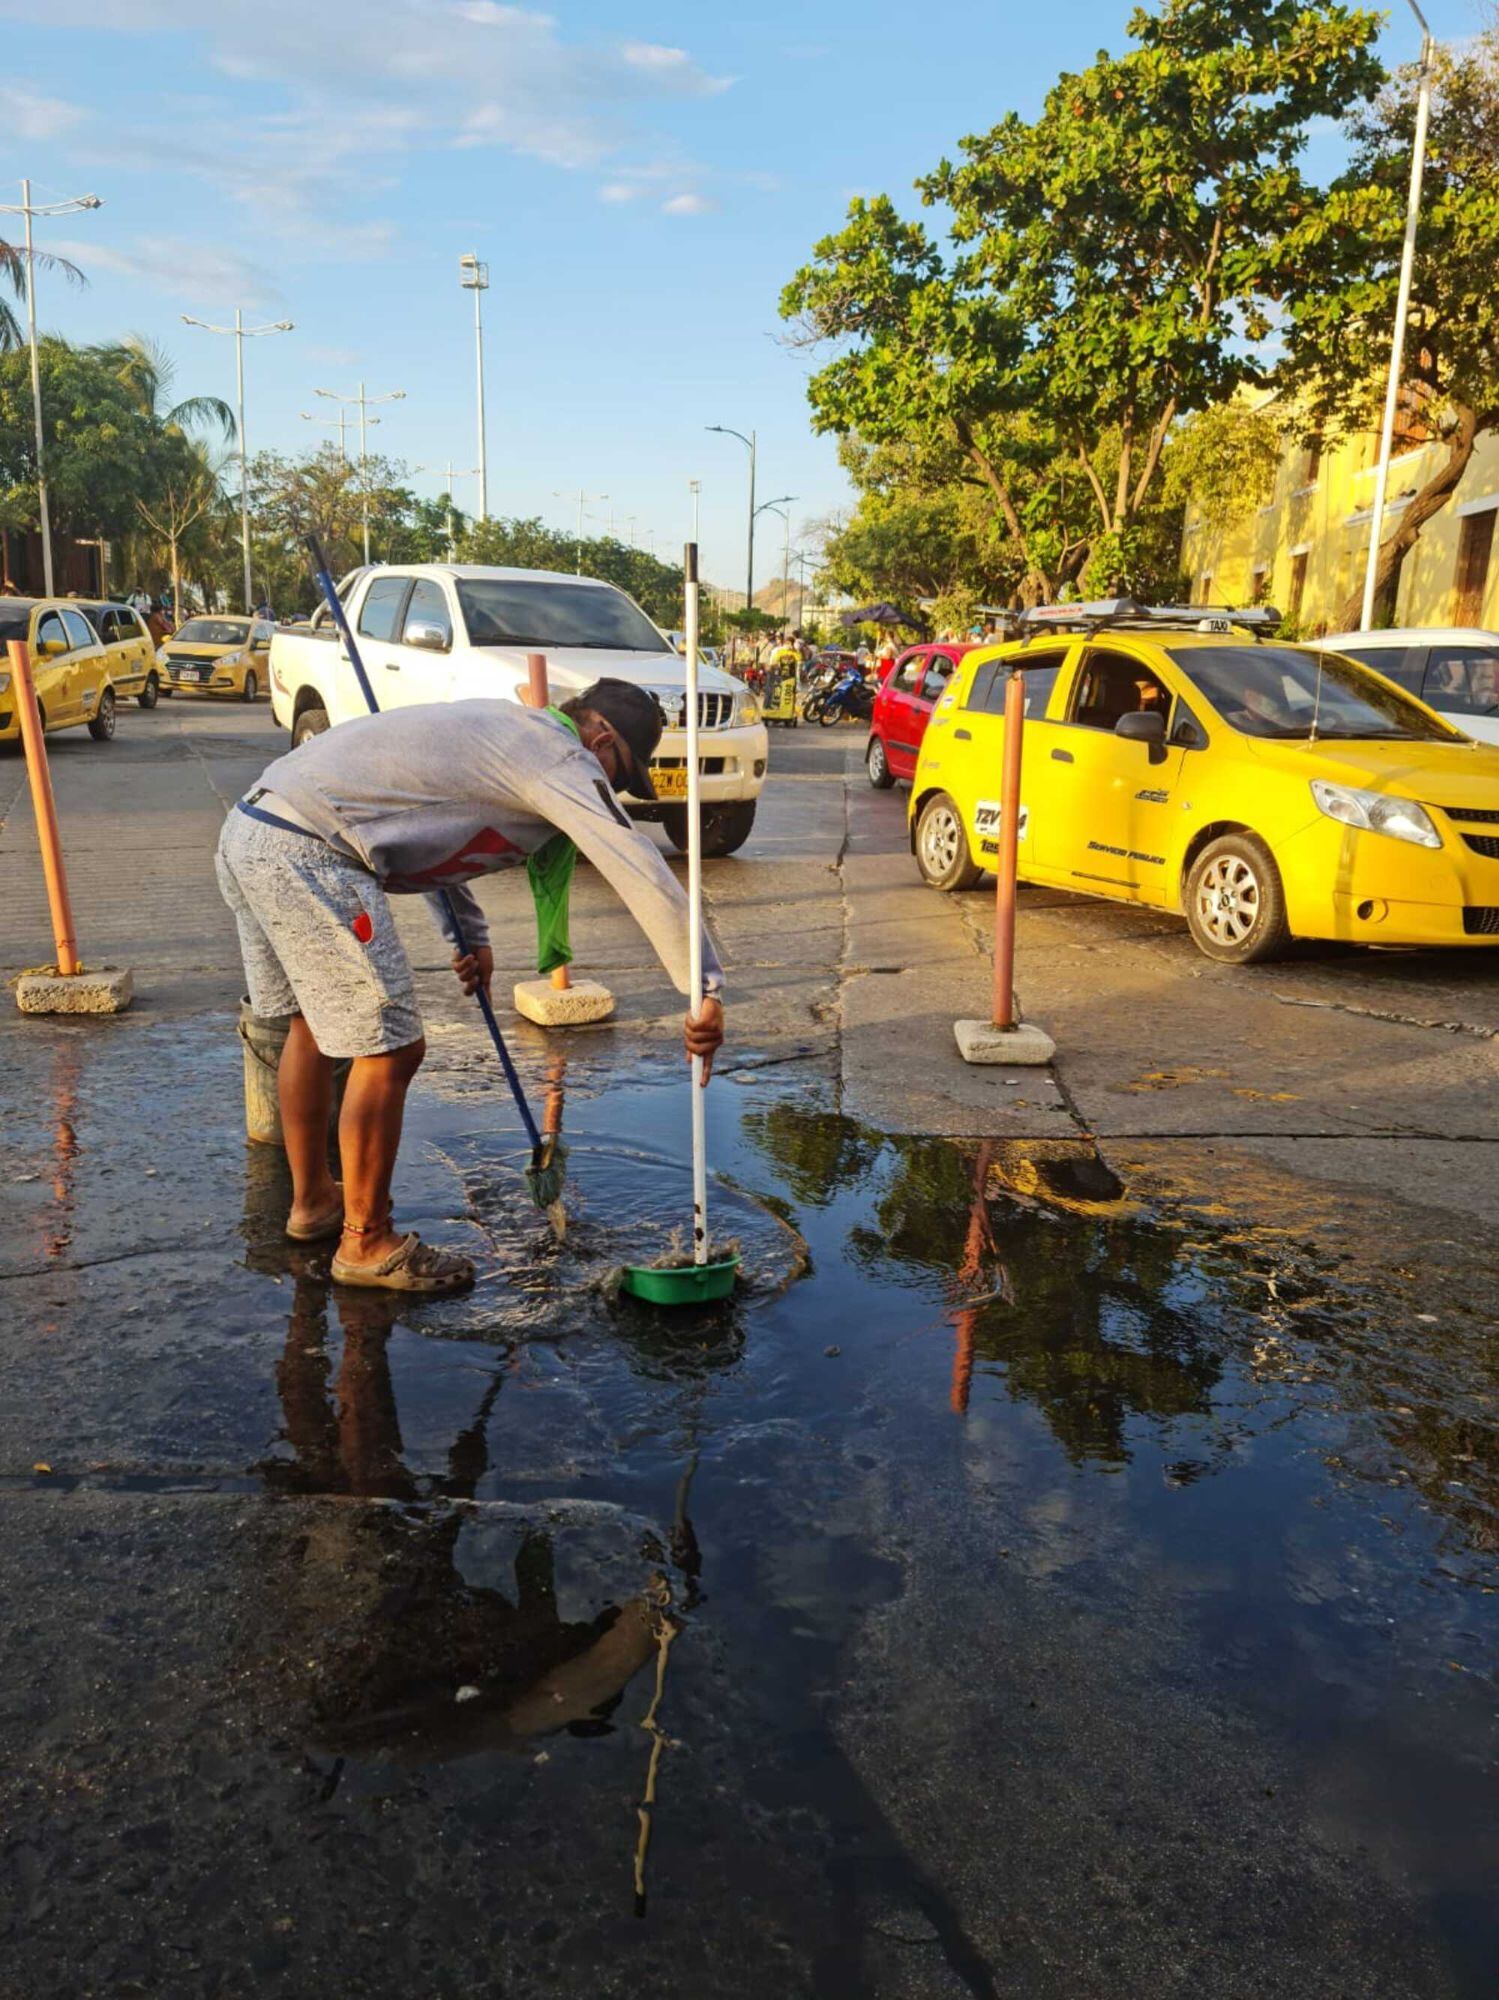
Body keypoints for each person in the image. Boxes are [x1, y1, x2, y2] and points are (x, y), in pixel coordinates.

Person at [216, 680, 727, 1297]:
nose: (615, 790)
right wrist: (703, 988)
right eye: (621, 774)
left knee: (311, 1026)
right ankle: (366, 1240)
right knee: (389, 1048)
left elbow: (427, 828)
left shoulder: (508, 733)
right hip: (309, 851)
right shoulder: (559, 757)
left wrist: (469, 936)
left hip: (252, 831)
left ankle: (315, 1204)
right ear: (601, 737)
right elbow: (633, 859)